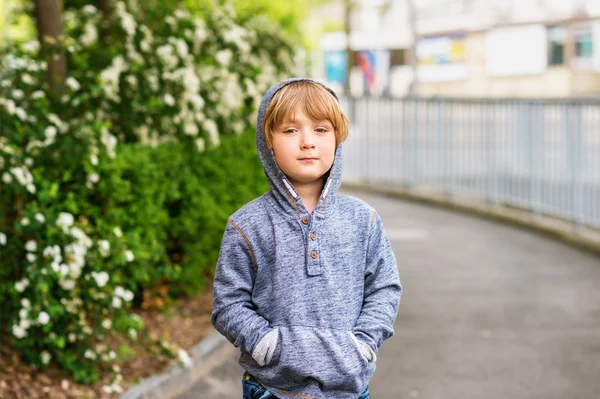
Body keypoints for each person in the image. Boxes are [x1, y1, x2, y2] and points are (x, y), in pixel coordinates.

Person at [211, 78, 402, 399]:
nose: (307, 142)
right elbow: (227, 303)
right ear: (267, 139)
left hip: (348, 389)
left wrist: (364, 345)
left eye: (321, 129)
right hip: (271, 388)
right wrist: (265, 344)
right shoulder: (246, 224)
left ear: (338, 137)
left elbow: (384, 288)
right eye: (290, 130)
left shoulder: (362, 219)